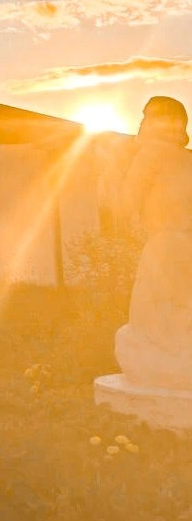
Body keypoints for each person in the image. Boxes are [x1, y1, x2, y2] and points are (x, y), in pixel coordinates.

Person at [114, 96, 192, 390]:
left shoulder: (150, 155)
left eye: (146, 116)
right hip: (188, 247)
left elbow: (125, 204)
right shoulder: (189, 160)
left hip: (164, 246)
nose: (141, 123)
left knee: (150, 321)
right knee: (182, 316)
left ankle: (164, 373)